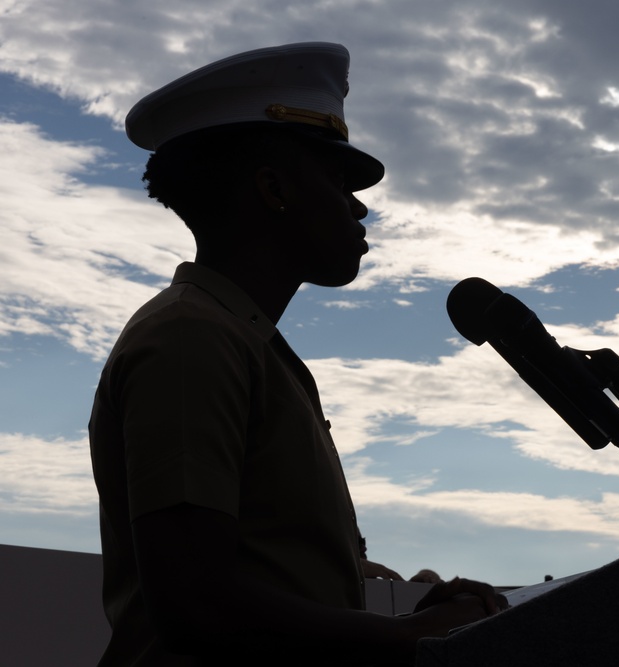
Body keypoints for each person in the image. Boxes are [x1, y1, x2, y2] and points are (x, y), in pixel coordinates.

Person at [89, 42, 504, 666]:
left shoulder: (241, 339)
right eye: (338, 181)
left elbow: (256, 585)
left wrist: (411, 615)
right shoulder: (191, 338)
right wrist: (402, 638)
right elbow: (194, 606)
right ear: (274, 188)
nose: (359, 206)